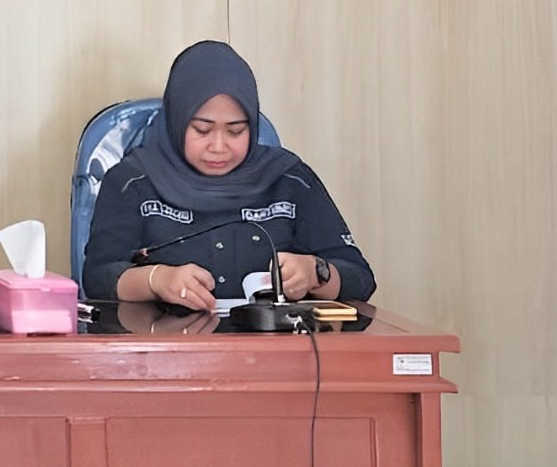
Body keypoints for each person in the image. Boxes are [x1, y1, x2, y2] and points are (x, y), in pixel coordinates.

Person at [82, 41, 375, 311]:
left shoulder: (290, 180)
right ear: (177, 120)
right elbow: (96, 277)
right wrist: (156, 280)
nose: (219, 147)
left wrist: (316, 273)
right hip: (166, 343)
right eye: (202, 130)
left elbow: (360, 280)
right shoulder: (132, 181)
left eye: (236, 131)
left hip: (273, 345)